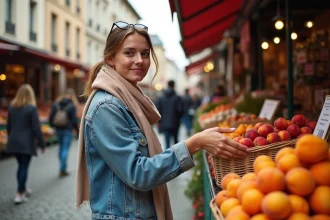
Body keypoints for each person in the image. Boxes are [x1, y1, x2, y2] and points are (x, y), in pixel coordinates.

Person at [75, 21, 248, 220]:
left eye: (145, 53)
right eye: (129, 53)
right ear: (111, 59)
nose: (140, 60)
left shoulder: (128, 99)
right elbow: (138, 173)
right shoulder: (107, 106)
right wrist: (194, 144)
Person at [6, 84, 45, 204]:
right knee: (23, 167)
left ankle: (23, 188)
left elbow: (8, 126)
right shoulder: (31, 108)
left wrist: (11, 137)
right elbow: (36, 127)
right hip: (26, 143)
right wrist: (42, 143)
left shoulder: (12, 107)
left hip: (14, 142)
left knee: (20, 166)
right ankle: (19, 194)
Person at [49, 88, 79, 177]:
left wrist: (52, 127)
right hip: (67, 130)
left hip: (58, 129)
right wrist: (77, 131)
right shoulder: (72, 106)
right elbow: (74, 120)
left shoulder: (56, 104)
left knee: (61, 148)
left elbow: (51, 117)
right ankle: (62, 169)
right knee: (65, 149)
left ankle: (62, 167)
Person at [155, 80, 183, 149]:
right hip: (175, 123)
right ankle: (176, 158)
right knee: (176, 142)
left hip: (165, 123)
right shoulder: (177, 97)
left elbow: (157, 110)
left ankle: (168, 157)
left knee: (167, 143)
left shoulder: (161, 98)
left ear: (167, 85)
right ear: (174, 86)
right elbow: (180, 110)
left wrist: (160, 121)